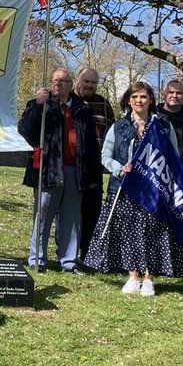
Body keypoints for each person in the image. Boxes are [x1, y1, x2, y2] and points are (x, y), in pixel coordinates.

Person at [85, 81, 183, 296]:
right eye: (135, 97)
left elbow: (173, 157)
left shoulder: (163, 125)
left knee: (153, 233)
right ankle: (132, 277)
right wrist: (120, 169)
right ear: (129, 100)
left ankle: (149, 278)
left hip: (154, 190)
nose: (139, 101)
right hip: (125, 189)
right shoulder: (118, 126)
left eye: (144, 97)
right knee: (129, 233)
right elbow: (105, 155)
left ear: (151, 100)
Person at [18, 67, 101, 274]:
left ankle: (69, 261)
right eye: (54, 80)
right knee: (43, 215)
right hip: (49, 169)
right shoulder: (41, 105)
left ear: (71, 84)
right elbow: (25, 132)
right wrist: (38, 106)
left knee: (72, 218)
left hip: (76, 170)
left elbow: (91, 145)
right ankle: (37, 259)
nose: (57, 84)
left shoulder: (81, 110)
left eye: (62, 81)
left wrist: (91, 175)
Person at [74, 67, 114, 254]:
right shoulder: (69, 101)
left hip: (95, 167)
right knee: (71, 213)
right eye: (86, 81)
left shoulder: (104, 105)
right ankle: (67, 253)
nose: (89, 85)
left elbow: (112, 135)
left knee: (92, 212)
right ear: (77, 80)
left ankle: (87, 252)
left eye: (93, 83)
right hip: (71, 165)